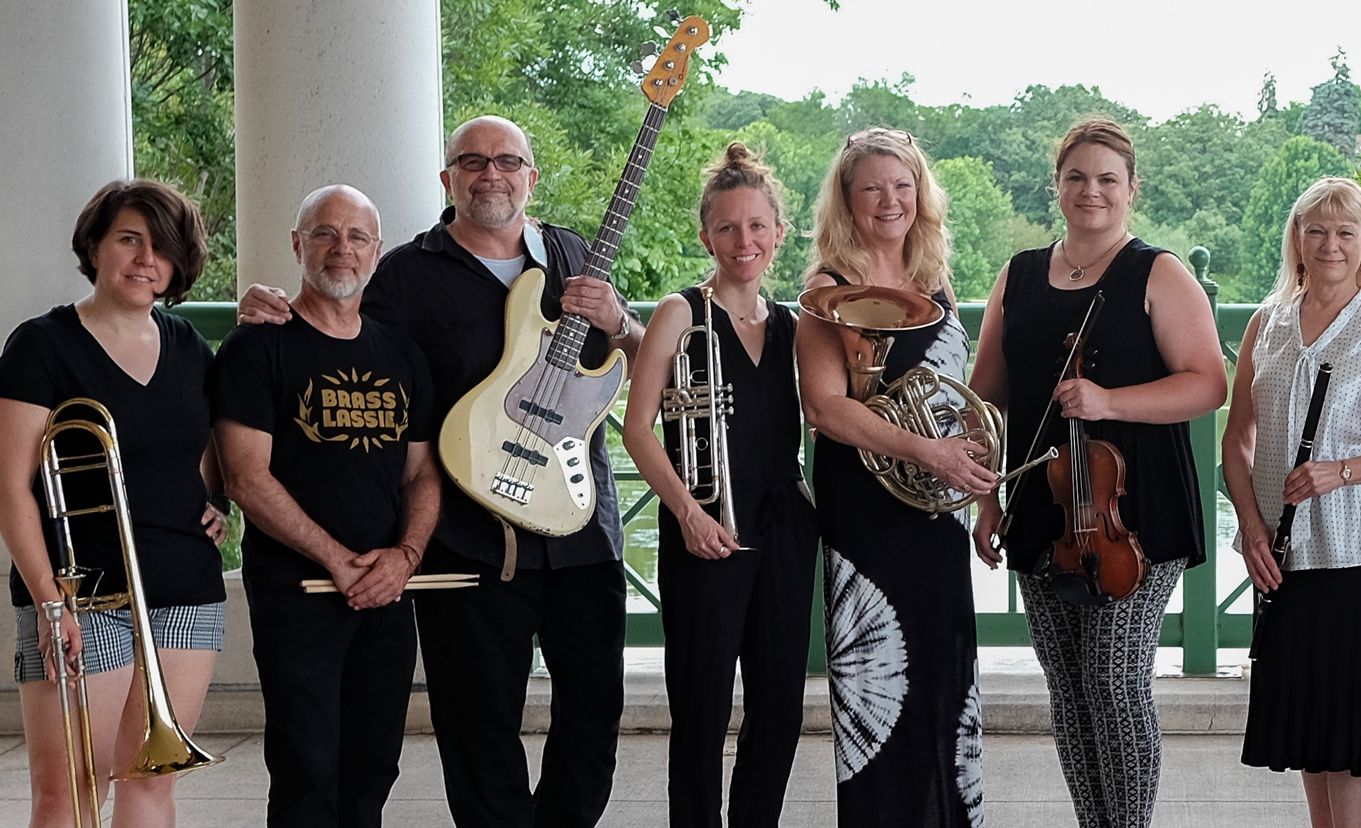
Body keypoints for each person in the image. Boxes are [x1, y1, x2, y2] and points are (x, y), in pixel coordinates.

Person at [236, 115, 644, 827]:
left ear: (531, 176)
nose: (492, 175)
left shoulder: (576, 253)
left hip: (580, 528)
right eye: (473, 162)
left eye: (507, 161)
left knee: (594, 714)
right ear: (447, 178)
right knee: (477, 725)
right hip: (468, 539)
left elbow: (637, 361)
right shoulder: (403, 274)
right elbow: (336, 334)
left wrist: (620, 321)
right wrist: (268, 308)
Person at [968, 117, 1228, 828]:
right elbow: (986, 398)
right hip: (1043, 505)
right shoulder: (1018, 275)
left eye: (1108, 179)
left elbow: (1208, 384)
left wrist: (1110, 401)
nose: (1092, 191)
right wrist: (986, 499)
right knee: (1070, 689)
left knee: (1114, 680)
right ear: (1056, 186)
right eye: (1076, 177)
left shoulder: (1158, 272)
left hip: (1133, 512)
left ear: (1131, 188)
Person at [0, 179, 230, 826]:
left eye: (163, 247)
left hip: (184, 592)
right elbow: (9, 486)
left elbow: (205, 452)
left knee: (152, 783)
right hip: (79, 596)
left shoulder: (190, 347)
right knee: (69, 791)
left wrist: (217, 500)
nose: (145, 259)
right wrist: (50, 605)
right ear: (95, 246)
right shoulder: (41, 345)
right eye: (130, 239)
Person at [211, 185, 440, 827]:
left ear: (377, 251)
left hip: (387, 592)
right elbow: (244, 478)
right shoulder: (257, 347)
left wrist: (405, 556)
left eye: (358, 236)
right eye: (324, 233)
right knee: (306, 771)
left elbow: (422, 475)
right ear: (297, 245)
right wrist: (338, 560)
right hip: (299, 594)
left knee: (374, 766)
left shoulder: (402, 354)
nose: (343, 248)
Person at [1226, 176, 1361, 827]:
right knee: (1307, 727)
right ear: (1296, 238)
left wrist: (1341, 473)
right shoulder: (1266, 324)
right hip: (1280, 554)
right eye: (1316, 230)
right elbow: (1238, 439)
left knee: (1347, 732)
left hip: (1355, 554)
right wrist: (1252, 529)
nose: (1330, 244)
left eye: (1346, 231)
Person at [794, 126, 993, 827]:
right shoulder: (827, 287)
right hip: (868, 508)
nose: (890, 201)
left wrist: (971, 457)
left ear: (922, 195)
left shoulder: (936, 279)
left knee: (943, 675)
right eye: (872, 188)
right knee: (878, 684)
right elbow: (825, 408)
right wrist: (927, 452)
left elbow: (956, 390)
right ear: (846, 201)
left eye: (903, 186)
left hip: (937, 507)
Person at [624, 143, 816, 827]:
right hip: (704, 523)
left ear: (779, 234)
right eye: (728, 228)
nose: (744, 241)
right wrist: (686, 513)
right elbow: (637, 430)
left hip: (785, 526)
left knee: (780, 708)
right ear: (707, 236)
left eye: (758, 226)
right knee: (702, 709)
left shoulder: (795, 324)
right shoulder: (679, 313)